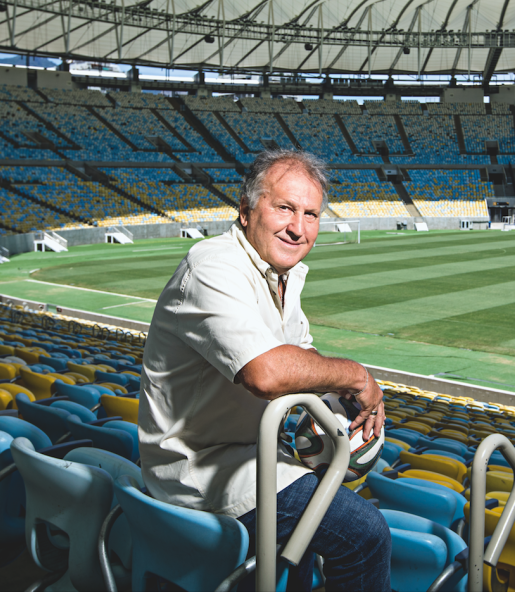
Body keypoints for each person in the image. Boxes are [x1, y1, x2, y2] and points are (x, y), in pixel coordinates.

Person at [139, 150, 391, 591]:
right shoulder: (213, 265)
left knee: (310, 536)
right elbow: (266, 374)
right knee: (365, 534)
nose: (298, 227)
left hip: (245, 455)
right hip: (199, 470)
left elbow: (304, 358)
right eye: (285, 208)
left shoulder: (280, 275)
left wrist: (343, 406)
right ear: (245, 210)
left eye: (311, 214)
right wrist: (358, 377)